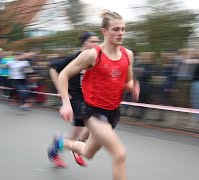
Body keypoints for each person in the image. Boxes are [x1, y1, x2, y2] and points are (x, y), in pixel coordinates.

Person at [47, 9, 140, 180]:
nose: (121, 33)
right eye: (116, 29)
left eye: (123, 29)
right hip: (93, 113)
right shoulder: (92, 55)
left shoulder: (128, 55)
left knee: (88, 152)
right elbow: (63, 75)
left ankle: (60, 142)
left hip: (113, 113)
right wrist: (66, 103)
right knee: (119, 154)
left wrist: (133, 86)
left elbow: (128, 81)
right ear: (104, 31)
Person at [48, 31, 100, 167]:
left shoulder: (95, 58)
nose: (96, 44)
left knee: (76, 133)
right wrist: (59, 88)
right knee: (94, 123)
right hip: (75, 98)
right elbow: (53, 69)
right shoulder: (74, 57)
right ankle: (76, 149)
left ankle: (58, 147)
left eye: (97, 41)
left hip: (88, 99)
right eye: (92, 41)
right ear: (85, 43)